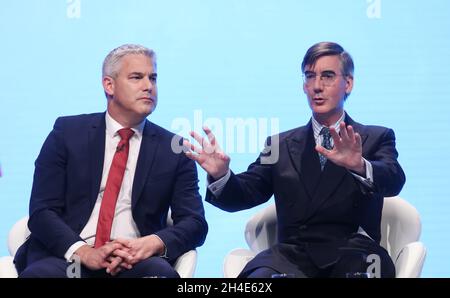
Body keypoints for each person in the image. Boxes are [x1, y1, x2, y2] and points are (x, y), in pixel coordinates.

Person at [185, 42, 405, 278]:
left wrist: (359, 166)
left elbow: (393, 180)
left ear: (348, 83)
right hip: (292, 256)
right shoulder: (279, 145)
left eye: (328, 76)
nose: (317, 86)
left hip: (354, 253)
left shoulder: (375, 137)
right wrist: (221, 175)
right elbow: (246, 193)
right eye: (310, 77)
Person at [15, 44, 208, 278]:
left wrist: (153, 243)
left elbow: (194, 223)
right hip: (70, 259)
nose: (148, 86)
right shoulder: (67, 133)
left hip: (134, 263)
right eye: (137, 77)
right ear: (109, 85)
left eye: (153, 78)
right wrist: (84, 252)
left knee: (160, 274)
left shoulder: (174, 149)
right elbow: (42, 211)